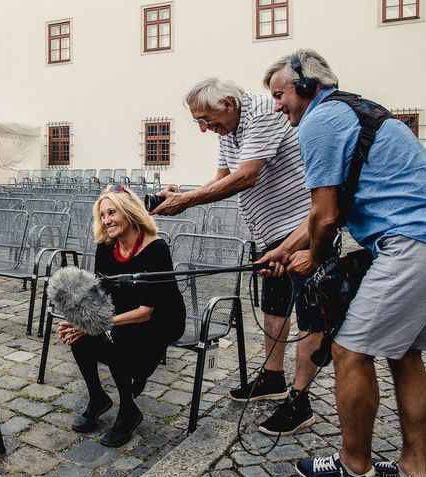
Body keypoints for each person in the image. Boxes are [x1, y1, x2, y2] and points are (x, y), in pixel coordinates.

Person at [262, 49, 426, 477]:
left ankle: (354, 467)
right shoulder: (356, 109)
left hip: (415, 239)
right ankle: (414, 471)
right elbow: (317, 216)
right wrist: (281, 250)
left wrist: (313, 256)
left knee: (349, 351)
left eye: (280, 95)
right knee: (403, 351)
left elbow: (325, 215)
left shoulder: (320, 120)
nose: (277, 106)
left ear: (305, 86)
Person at [151, 77, 323, 436]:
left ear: (228, 104)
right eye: (198, 121)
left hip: (300, 229)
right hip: (266, 232)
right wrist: (180, 194)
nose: (202, 128)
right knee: (274, 308)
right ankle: (273, 378)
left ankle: (300, 398)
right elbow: (222, 177)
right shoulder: (226, 131)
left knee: (311, 316)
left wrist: (186, 202)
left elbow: (246, 177)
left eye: (205, 118)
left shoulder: (261, 113)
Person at [58, 185, 186, 447]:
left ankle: (128, 411)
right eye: (102, 215)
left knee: (114, 337)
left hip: (161, 319)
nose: (106, 221)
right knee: (78, 336)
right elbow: (100, 293)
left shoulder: (156, 248)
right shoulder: (106, 247)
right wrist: (82, 321)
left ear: (128, 212)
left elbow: (146, 312)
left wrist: (100, 324)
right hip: (125, 313)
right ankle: (98, 398)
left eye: (112, 213)